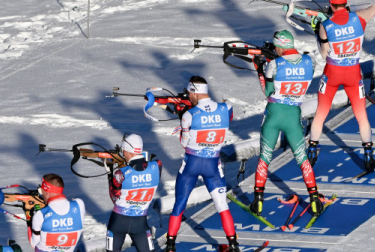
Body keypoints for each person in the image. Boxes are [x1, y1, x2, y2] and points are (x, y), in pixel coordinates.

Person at [249, 31, 324, 217]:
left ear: (279, 46)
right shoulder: (310, 61)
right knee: (302, 158)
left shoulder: (274, 64)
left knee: (265, 157)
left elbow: (268, 92)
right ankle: (314, 198)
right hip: (293, 113)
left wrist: (260, 70)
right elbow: (295, 65)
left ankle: (258, 201)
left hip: (274, 113)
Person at [308, 0, 375, 170]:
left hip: (332, 72)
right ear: (345, 2)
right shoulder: (359, 18)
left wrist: (318, 34)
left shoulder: (326, 25)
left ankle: (312, 151)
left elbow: (324, 54)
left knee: (321, 113)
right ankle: (368, 155)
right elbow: (374, 6)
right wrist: (351, 9)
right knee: (361, 115)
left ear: (330, 4)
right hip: (353, 73)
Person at [165, 77, 237, 252]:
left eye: (190, 94)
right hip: (213, 164)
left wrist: (183, 119)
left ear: (194, 92)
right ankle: (234, 245)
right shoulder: (226, 108)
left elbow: (184, 143)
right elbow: (228, 115)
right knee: (222, 205)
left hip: (192, 163)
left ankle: (170, 246)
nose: (189, 97)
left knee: (180, 204)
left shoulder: (189, 115)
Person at [106, 134, 162, 252]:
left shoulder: (120, 174)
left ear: (129, 151)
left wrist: (109, 174)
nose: (123, 154)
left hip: (118, 221)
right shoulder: (157, 166)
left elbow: (114, 198)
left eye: (123, 151)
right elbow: (142, 167)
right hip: (140, 223)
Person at [28, 174, 85, 252]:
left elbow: (34, 245)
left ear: (47, 192)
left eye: (41, 191)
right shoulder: (79, 205)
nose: (42, 194)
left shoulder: (40, 214)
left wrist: (28, 217)